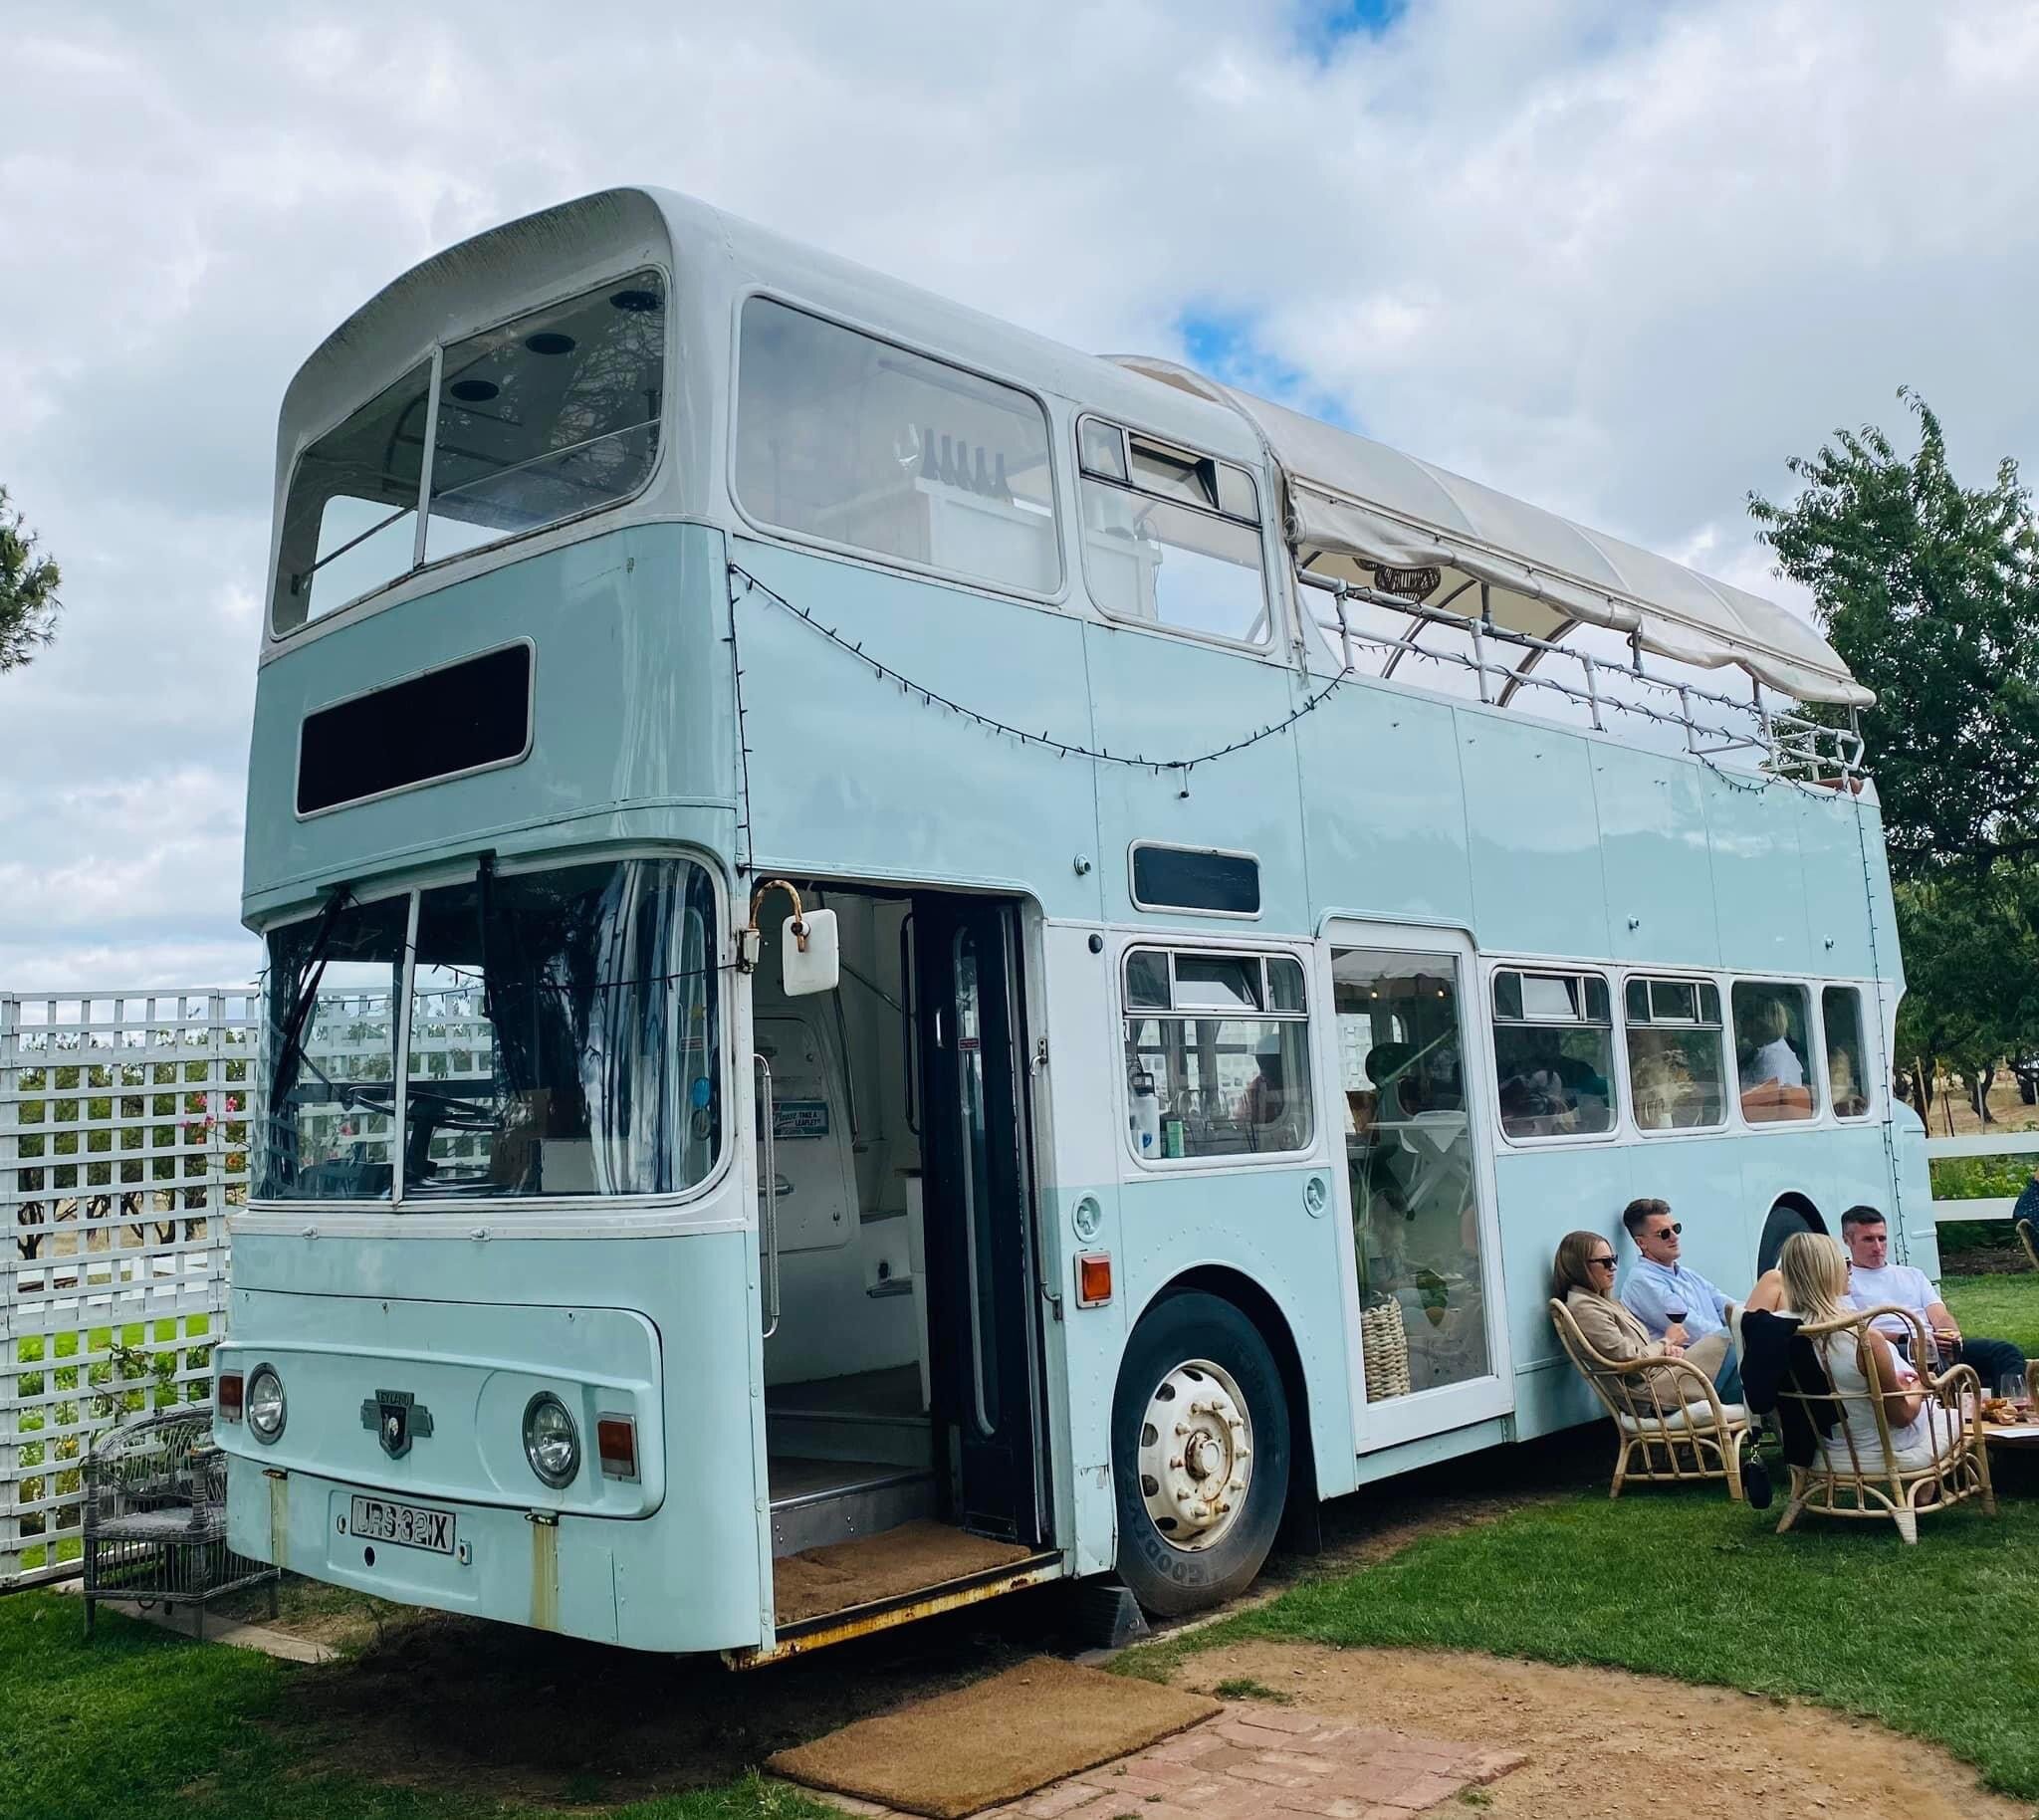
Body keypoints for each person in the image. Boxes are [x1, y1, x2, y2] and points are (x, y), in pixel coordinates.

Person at [1778, 1231, 1954, 1473]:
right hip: (1881, 1445)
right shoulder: (1863, 1338)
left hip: (1819, 1442)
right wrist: (1921, 1386)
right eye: (1842, 1262)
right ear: (1829, 1272)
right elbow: (1902, 1416)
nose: (1849, 1268)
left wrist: (1890, 1381)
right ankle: (1928, 1486)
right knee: (1947, 1413)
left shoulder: (1776, 1329)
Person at [1837, 1204, 2027, 1389]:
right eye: (1868, 1240)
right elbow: (1855, 1328)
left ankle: (2009, 1407)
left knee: (2005, 1352)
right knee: (1909, 1355)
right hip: (1893, 1350)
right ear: (1848, 1240)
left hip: (1933, 1344)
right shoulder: (1844, 1282)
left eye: (1882, 1238)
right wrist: (1908, 1339)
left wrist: (1951, 1336)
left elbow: (1940, 1315)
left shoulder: (1912, 1274)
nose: (1878, 1247)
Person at [1617, 1197, 1785, 1401]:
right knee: (1773, 1281)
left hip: (1722, 1359)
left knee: (1778, 1301)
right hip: (1697, 1374)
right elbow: (1695, 1331)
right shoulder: (1642, 1282)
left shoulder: (1686, 1274)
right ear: (1641, 1243)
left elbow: (1727, 1305)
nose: (1674, 1237)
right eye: (1664, 1233)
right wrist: (1753, 1329)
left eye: (1676, 1228)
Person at [1552, 1230, 1737, 1405]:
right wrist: (1667, 1341)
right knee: (1730, 1342)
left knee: (1745, 1364)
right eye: (1605, 1262)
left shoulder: (1604, 1302)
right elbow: (1630, 1360)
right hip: (1649, 1392)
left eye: (1613, 1259)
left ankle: (1758, 1418)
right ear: (1580, 1267)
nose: (1614, 1267)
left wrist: (1668, 1351)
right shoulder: (1585, 1307)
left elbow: (1638, 1349)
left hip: (1663, 1377)